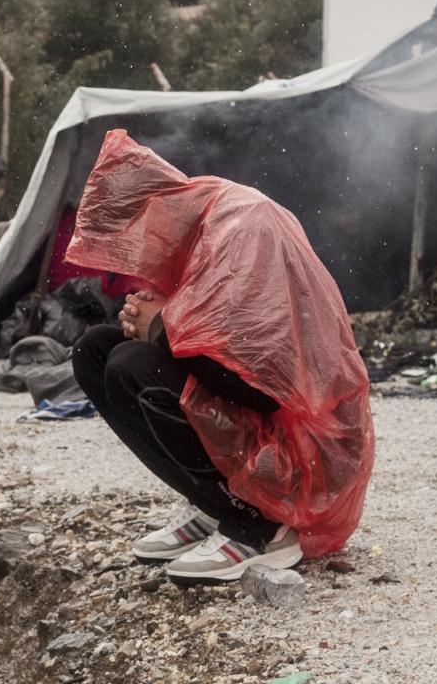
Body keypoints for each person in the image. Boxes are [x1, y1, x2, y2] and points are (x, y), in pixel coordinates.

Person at [66, 130, 374, 584]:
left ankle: (260, 526)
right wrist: (158, 323)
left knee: (131, 367)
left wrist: (160, 326)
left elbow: (263, 381)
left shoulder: (243, 224)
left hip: (307, 447)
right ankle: (215, 506)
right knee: (96, 349)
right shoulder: (200, 226)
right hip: (267, 420)